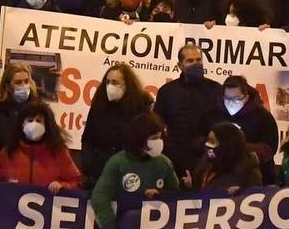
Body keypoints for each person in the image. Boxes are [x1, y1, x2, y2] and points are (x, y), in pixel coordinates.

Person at [152, 42, 221, 181]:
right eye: (190, 61)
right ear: (180, 65)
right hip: (175, 161)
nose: (196, 64)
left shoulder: (216, 89)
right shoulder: (167, 91)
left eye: (198, 60)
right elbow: (157, 124)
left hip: (208, 160)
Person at [80, 62, 151, 186]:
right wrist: (89, 166)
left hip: (131, 172)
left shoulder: (141, 106)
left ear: (127, 84)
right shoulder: (99, 105)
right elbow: (88, 139)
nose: (110, 86)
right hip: (101, 171)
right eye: (107, 82)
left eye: (115, 82)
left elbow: (146, 141)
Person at [0, 99, 82, 189]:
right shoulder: (8, 153)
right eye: (30, 120)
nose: (34, 124)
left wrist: (62, 186)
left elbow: (77, 182)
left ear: (47, 125)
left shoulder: (59, 152)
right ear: (22, 124)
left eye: (39, 121)